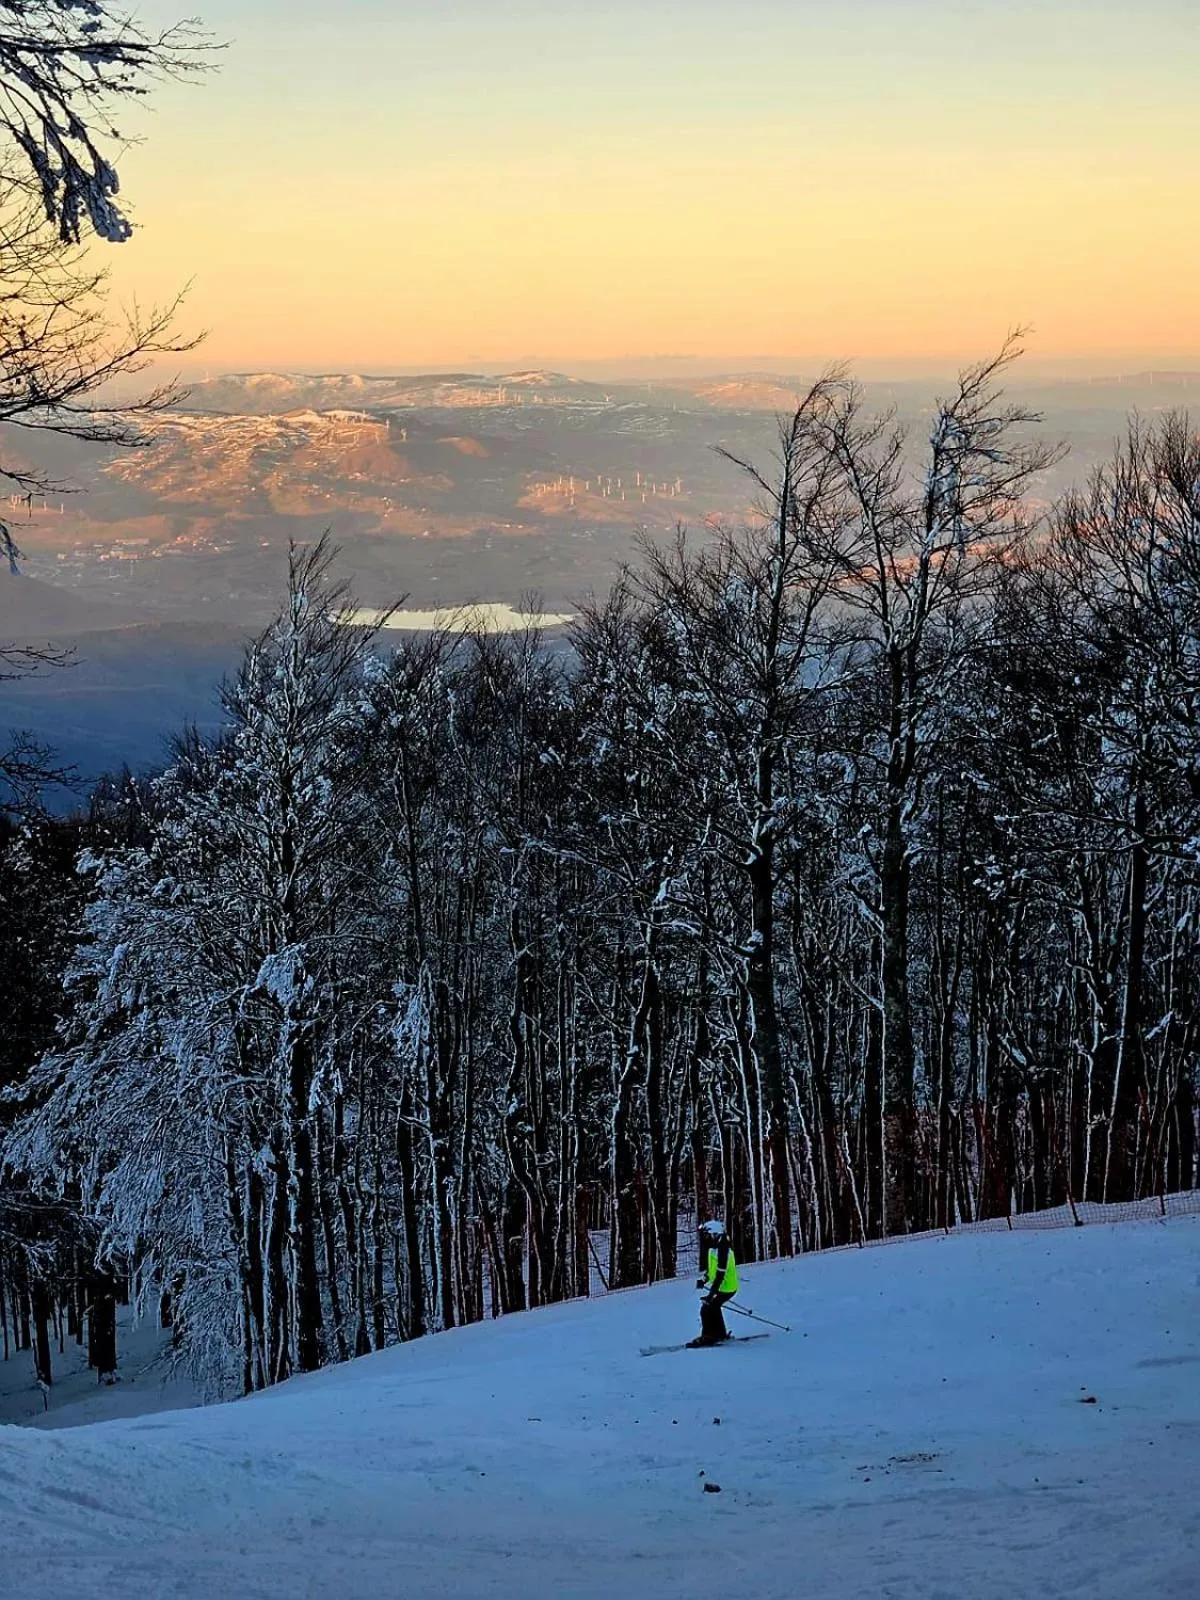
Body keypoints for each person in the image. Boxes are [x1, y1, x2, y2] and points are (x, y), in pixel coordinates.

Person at [690, 1219, 738, 1346]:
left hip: (727, 1288)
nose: (705, 1239)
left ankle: (708, 1336)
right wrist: (704, 1280)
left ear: (715, 1235)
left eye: (707, 1235)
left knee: (706, 1309)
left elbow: (720, 1277)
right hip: (720, 1286)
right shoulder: (713, 1249)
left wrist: (711, 1295)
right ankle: (720, 1334)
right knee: (714, 1307)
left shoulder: (724, 1252)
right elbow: (712, 1271)